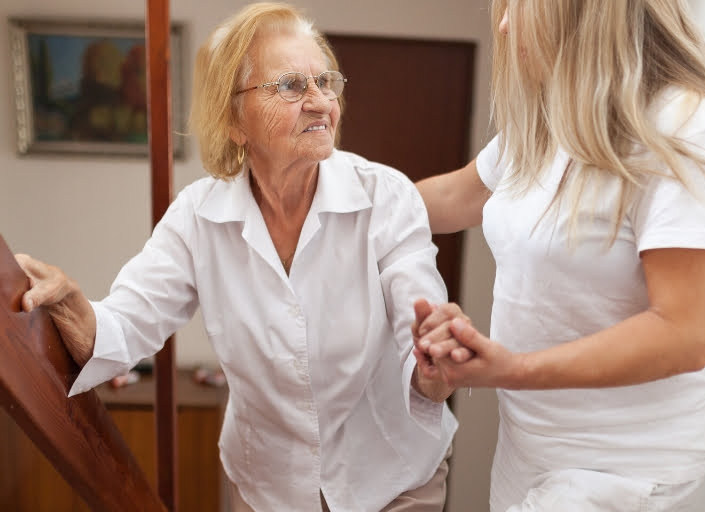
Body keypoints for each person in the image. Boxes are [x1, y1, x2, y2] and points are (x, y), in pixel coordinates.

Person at [15, 3, 457, 511]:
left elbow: (419, 331)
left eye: (326, 81)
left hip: (392, 479)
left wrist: (433, 365)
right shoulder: (198, 217)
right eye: (291, 86)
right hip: (267, 488)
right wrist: (75, 306)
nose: (320, 102)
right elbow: (128, 323)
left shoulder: (387, 197)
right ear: (233, 120)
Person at [412, 1, 705, 511]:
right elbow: (454, 199)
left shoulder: (685, 131)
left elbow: (685, 333)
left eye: (519, 6)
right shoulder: (553, 119)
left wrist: (511, 368)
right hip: (528, 449)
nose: (505, 25)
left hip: (621, 470)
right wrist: (331, 193)